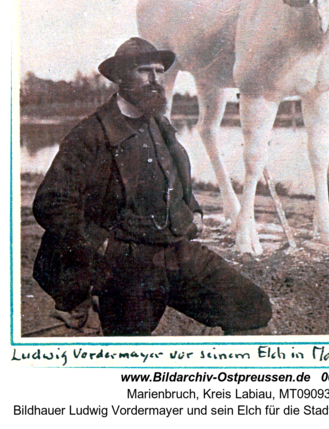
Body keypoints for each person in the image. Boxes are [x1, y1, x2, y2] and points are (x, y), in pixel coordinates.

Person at [33, 37, 272, 336]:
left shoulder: (160, 124)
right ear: (120, 77)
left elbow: (178, 179)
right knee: (130, 344)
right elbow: (51, 203)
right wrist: (100, 245)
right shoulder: (91, 134)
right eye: (145, 70)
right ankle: (93, 305)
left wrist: (193, 211)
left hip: (175, 250)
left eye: (159, 71)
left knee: (253, 306)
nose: (155, 80)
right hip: (126, 262)